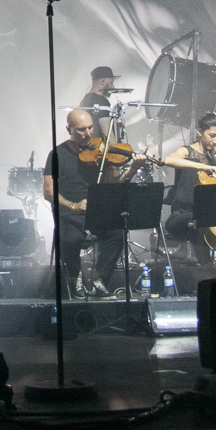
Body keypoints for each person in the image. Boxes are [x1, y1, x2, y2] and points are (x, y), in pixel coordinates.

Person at [43, 109, 143, 298]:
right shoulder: (57, 154)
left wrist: (132, 170)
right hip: (69, 213)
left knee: (118, 233)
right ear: (69, 129)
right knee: (70, 238)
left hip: (96, 212)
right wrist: (73, 205)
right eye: (81, 130)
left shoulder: (101, 151)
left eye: (90, 128)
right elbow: (48, 192)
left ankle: (100, 280)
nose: (88, 134)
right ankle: (75, 276)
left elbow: (115, 182)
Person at [158, 112, 216, 250]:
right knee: (203, 221)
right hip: (182, 214)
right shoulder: (186, 151)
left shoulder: (214, 159)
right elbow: (168, 160)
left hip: (207, 214)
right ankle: (207, 268)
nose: (215, 141)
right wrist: (203, 166)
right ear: (199, 132)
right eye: (212, 135)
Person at [79, 66, 121, 140]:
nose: (113, 87)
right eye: (111, 83)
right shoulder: (101, 102)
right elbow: (108, 136)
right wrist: (118, 150)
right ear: (103, 81)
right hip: (100, 150)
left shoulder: (84, 101)